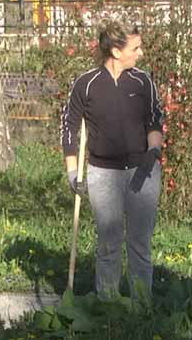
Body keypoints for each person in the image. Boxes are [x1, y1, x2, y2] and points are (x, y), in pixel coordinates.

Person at [60, 21, 165, 298]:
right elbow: (69, 127)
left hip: (143, 170)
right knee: (108, 244)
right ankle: (108, 307)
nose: (141, 53)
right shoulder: (86, 84)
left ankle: (142, 306)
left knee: (140, 244)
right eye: (135, 48)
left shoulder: (142, 81)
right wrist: (73, 172)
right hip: (103, 173)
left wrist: (154, 150)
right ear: (116, 52)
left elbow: (155, 119)